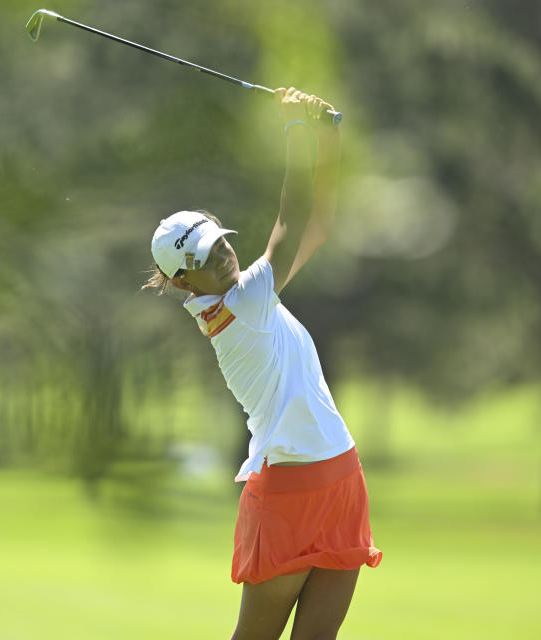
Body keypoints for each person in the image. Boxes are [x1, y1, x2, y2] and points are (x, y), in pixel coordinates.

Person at [143, 88, 381, 640]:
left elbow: (316, 228)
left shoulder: (251, 296)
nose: (223, 252)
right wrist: (296, 130)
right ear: (183, 280)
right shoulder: (238, 305)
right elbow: (291, 223)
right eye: (203, 257)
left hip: (342, 475)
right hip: (290, 496)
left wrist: (329, 140)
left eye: (216, 240)